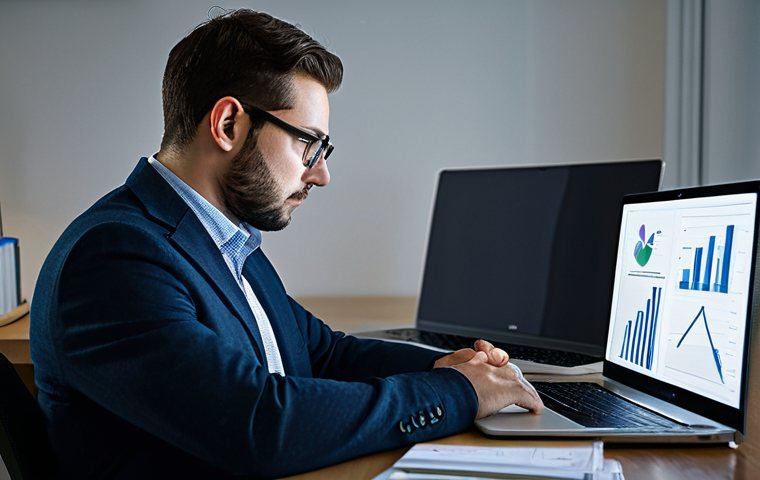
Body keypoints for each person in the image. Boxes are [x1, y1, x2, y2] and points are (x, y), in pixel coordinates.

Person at [29, 9, 543, 479]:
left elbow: (324, 355)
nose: (320, 174)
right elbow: (258, 425)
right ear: (229, 124)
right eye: (309, 143)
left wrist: (447, 367)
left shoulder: (224, 240)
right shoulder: (115, 257)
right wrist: (457, 394)